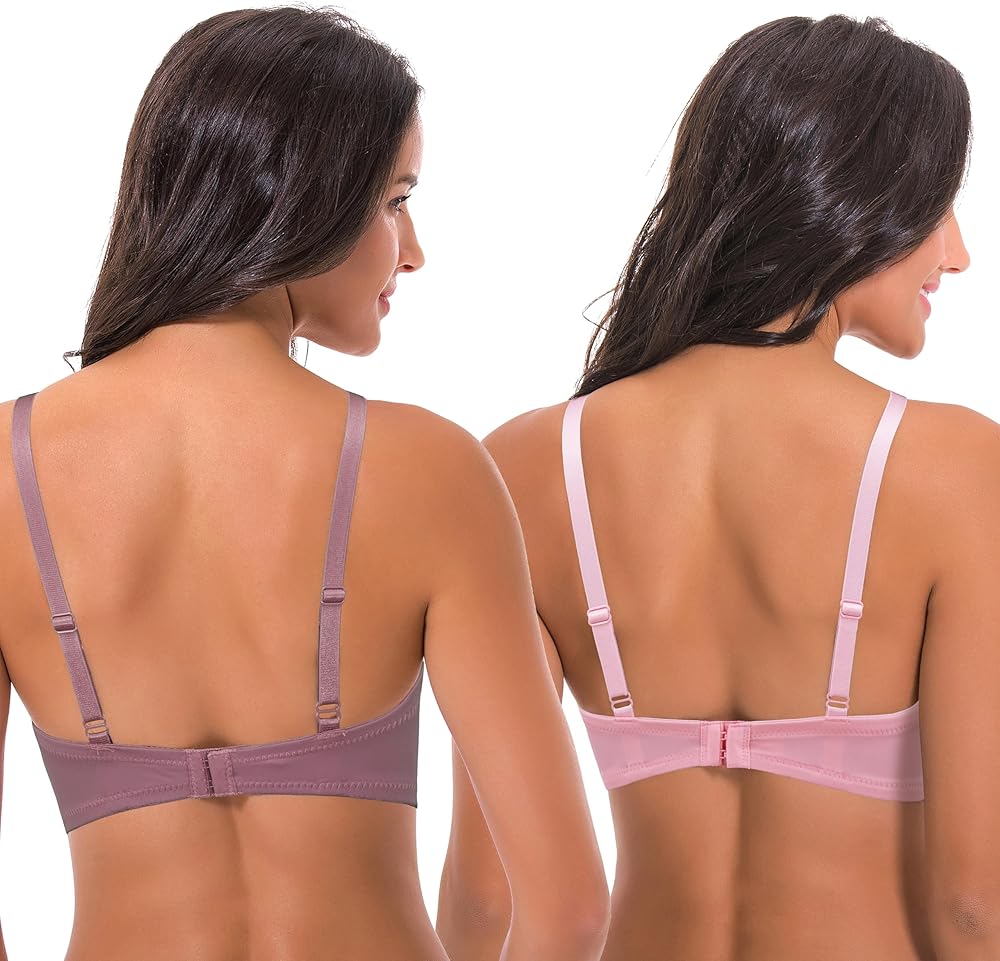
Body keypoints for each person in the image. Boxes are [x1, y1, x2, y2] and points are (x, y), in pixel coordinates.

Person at [0, 7, 610, 960]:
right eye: (395, 200)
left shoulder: (8, 470)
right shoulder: (432, 469)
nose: (413, 249)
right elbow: (568, 908)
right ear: (299, 195)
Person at [436, 14, 999, 961]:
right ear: (853, 195)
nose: (957, 251)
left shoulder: (526, 467)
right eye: (938, 205)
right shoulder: (957, 467)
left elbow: (485, 896)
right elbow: (976, 903)